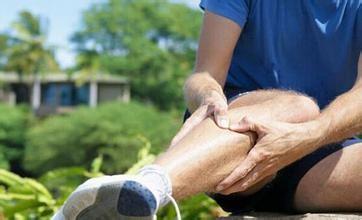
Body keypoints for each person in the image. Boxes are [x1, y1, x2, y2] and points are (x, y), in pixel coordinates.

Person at [53, 1, 362, 219]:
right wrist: (208, 95)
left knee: (307, 115)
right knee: (299, 106)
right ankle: (144, 190)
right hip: (230, 138)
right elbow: (205, 75)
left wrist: (310, 136)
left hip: (318, 152)